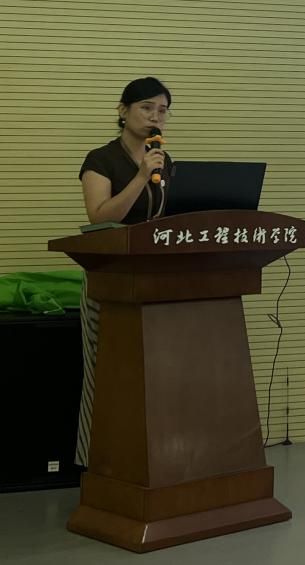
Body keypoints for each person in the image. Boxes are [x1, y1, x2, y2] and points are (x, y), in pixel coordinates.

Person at [74, 77, 175, 466]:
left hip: (152, 276)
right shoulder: (100, 159)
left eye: (162, 110)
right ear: (123, 111)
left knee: (151, 371)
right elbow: (99, 218)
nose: (155, 117)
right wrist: (140, 176)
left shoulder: (164, 160)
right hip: (109, 276)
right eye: (146, 107)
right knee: (106, 368)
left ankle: (146, 459)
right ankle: (96, 461)